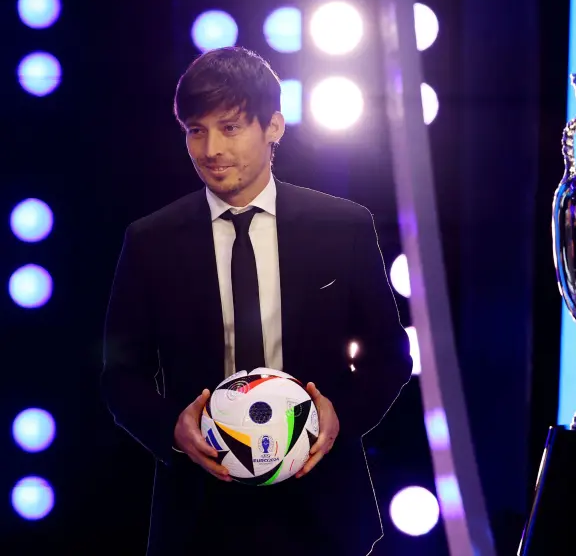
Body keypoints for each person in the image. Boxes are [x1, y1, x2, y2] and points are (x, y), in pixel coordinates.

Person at [101, 46, 412, 555]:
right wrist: (173, 430)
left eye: (229, 128)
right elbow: (120, 374)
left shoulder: (343, 227)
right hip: (199, 511)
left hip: (322, 505)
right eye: (195, 131)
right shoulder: (150, 240)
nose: (210, 149)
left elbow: (390, 355)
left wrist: (339, 419)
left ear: (274, 127)